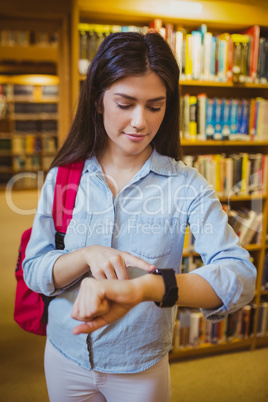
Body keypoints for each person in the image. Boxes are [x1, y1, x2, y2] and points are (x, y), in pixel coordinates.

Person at [23, 31, 256, 402]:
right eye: (125, 103)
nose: (139, 122)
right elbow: (34, 269)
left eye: (154, 106)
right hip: (65, 356)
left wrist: (148, 288)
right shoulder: (64, 176)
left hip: (140, 368)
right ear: (98, 101)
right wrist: (85, 256)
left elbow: (240, 276)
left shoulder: (187, 185)